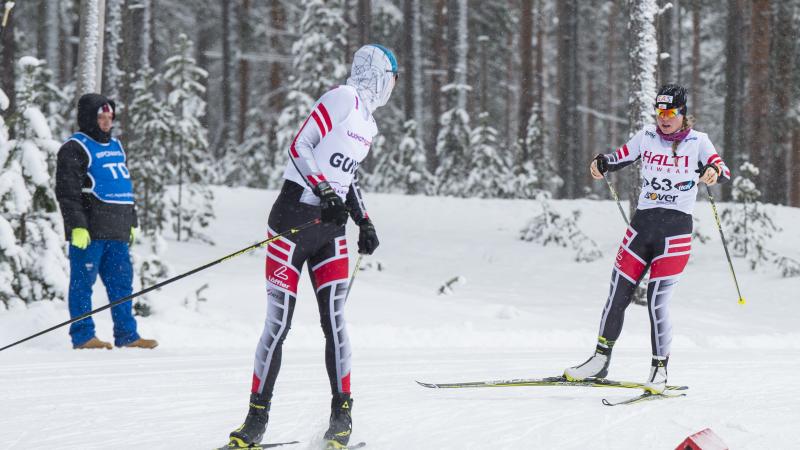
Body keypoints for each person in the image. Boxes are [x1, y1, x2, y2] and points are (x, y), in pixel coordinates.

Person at [227, 44, 396, 450]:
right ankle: (255, 420)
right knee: (278, 324)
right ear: (377, 73)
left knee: (334, 322)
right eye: (391, 75)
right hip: (292, 219)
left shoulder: (368, 124)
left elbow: (348, 177)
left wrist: (364, 219)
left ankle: (342, 416)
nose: (392, 84)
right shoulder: (342, 98)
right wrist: (324, 190)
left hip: (328, 231)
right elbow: (300, 147)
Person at [563, 84, 730, 394]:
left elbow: (721, 168)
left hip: (675, 232)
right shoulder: (647, 137)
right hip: (642, 228)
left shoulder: (698, 142)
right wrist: (600, 164)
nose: (664, 119)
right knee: (617, 295)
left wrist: (712, 171)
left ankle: (659, 370)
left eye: (670, 113)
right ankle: (599, 361)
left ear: (683, 114)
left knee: (657, 302)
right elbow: (617, 158)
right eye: (660, 112)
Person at [55, 93, 158, 350]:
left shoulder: (117, 146)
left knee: (122, 286)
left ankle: (127, 335)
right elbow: (67, 192)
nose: (106, 122)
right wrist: (76, 226)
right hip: (90, 231)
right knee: (82, 285)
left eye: (109, 117)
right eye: (101, 117)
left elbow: (123, 184)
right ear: (89, 118)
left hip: (118, 230)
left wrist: (131, 221)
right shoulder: (75, 148)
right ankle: (83, 336)